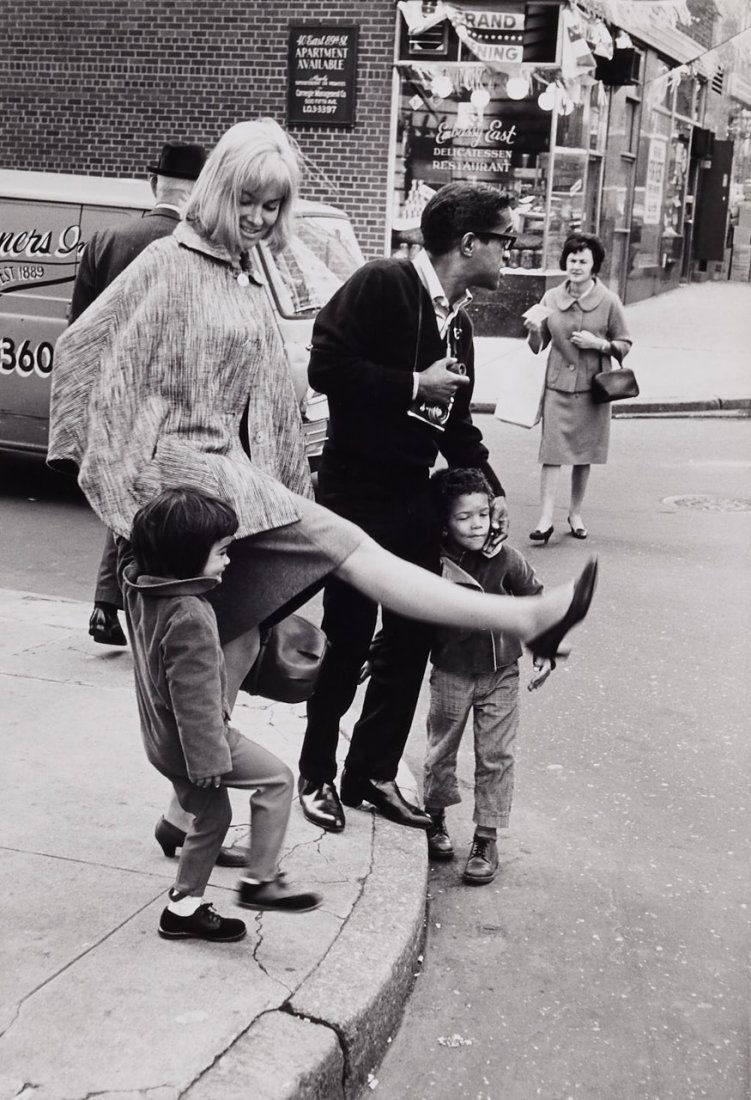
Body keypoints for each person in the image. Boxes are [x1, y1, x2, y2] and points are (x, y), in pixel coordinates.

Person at [48, 119, 597, 858]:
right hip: (189, 483)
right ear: (218, 189)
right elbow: (84, 349)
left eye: (274, 207)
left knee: (236, 651)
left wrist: (285, 468)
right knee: (345, 552)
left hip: (230, 483)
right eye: (249, 201)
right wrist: (123, 482)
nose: (259, 220)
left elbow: (272, 388)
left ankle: (182, 822)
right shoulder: (168, 260)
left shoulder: (241, 272)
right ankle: (526, 618)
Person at [298, 182, 520, 836]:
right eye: (503, 238)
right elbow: (325, 366)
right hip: (352, 493)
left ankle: (367, 772)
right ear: (468, 242)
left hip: (408, 497)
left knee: (409, 637)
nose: (510, 250)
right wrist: (410, 383)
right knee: (346, 637)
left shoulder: (459, 321)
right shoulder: (382, 282)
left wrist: (488, 487)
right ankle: (315, 773)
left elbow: (454, 428)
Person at [124, 488, 323, 942]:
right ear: (191, 555)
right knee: (277, 780)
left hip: (161, 742)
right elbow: (193, 699)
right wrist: (210, 759)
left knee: (211, 820)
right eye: (222, 552)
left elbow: (125, 555)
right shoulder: (189, 615)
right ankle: (261, 880)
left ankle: (183, 909)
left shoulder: (140, 587)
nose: (228, 561)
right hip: (196, 742)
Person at [72, 140, 207, 649]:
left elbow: (78, 333)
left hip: (112, 395)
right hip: (175, 398)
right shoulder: (196, 246)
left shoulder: (107, 239)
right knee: (166, 506)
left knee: (125, 497)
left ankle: (109, 602)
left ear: (155, 185)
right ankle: (143, 608)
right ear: (198, 194)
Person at [422, 468, 553, 887]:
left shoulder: (505, 558)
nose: (477, 524)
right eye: (464, 517)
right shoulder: (432, 562)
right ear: (444, 522)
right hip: (450, 673)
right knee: (441, 750)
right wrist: (378, 652)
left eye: (483, 514)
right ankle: (435, 817)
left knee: (496, 756)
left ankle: (485, 838)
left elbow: (534, 597)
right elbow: (405, 611)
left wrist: (544, 646)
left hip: (501, 674)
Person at [523, 233, 632, 543]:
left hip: (592, 389)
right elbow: (538, 346)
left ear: (594, 265)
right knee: (552, 453)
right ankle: (545, 519)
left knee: (583, 455)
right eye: (572, 259)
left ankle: (575, 513)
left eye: (583, 261)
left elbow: (625, 343)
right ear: (565, 262)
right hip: (557, 386)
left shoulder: (609, 301)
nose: (577, 265)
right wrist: (532, 332)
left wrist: (598, 343)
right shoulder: (550, 298)